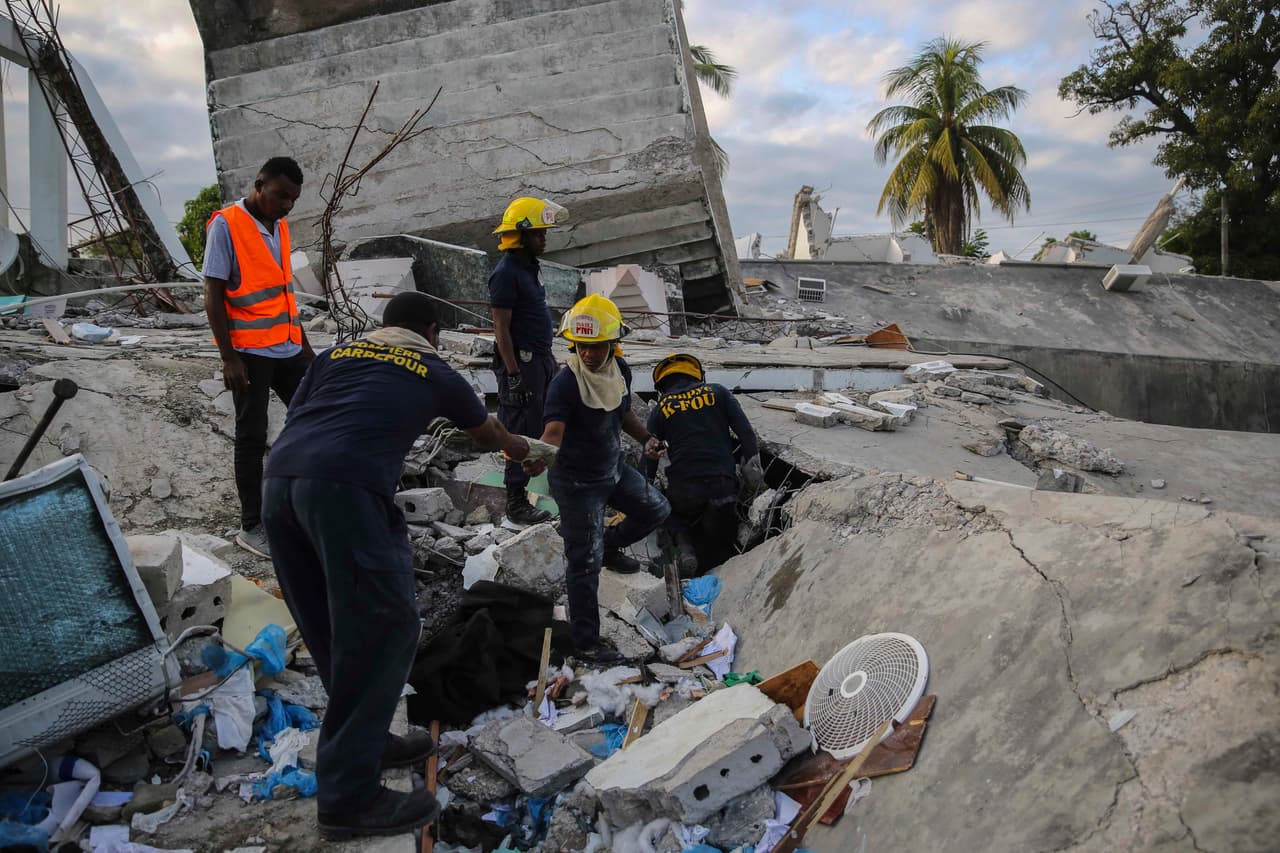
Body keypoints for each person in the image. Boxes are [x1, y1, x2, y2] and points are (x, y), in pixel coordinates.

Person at [261, 292, 536, 840]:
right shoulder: (435, 370)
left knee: (330, 625)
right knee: (386, 629)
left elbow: (303, 417)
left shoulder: (333, 357)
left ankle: (368, 741)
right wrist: (523, 450)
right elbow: (488, 434)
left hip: (279, 485)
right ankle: (348, 798)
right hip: (347, 490)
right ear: (432, 331)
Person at [525, 295, 670, 664]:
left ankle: (610, 545)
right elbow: (553, 431)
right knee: (583, 563)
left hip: (613, 469)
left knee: (657, 509)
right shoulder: (565, 383)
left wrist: (647, 440)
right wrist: (540, 457)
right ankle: (586, 643)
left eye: (596, 347)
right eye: (582, 347)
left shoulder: (618, 370)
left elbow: (621, 414)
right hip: (576, 485)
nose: (588, 355)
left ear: (611, 344)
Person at [203, 156, 314, 559]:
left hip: (287, 346)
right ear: (259, 183)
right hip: (249, 352)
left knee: (314, 416)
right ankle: (252, 525)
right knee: (251, 435)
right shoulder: (226, 225)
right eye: (280, 195)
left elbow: (283, 293)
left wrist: (305, 348)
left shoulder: (280, 226)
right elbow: (213, 293)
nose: (286, 205)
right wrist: (228, 357)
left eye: (293, 199)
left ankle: (302, 502)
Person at [644, 353, 763, 575]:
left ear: (662, 386)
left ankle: (684, 543)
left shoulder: (660, 409)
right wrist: (754, 469)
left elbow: (649, 458)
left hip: (684, 491)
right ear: (699, 376)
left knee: (667, 509)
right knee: (723, 534)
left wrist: (647, 490)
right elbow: (746, 434)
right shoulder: (718, 392)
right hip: (723, 484)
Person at [488, 196, 567, 526]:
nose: (543, 239)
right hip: (522, 364)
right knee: (518, 428)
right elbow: (501, 329)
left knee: (543, 425)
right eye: (538, 234)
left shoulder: (529, 268)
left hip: (540, 360)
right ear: (520, 236)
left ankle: (556, 490)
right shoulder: (505, 273)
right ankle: (516, 501)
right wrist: (514, 374)